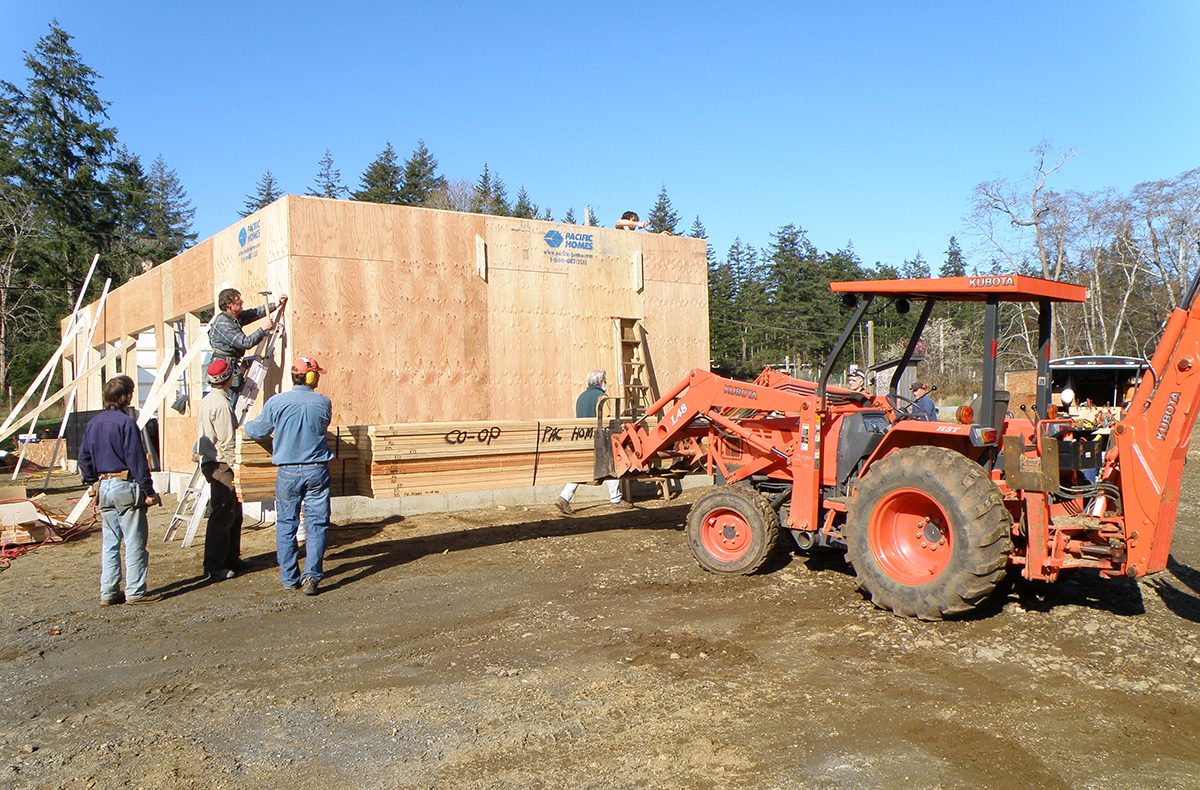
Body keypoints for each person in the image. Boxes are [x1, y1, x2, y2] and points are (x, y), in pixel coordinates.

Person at [243, 355, 333, 596]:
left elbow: (256, 430)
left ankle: (289, 578)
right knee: (317, 525)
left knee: (286, 524)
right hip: (317, 471)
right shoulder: (323, 402)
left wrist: (247, 427)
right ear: (311, 377)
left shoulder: (277, 402)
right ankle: (312, 577)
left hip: (288, 472)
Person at [78, 375, 162, 605]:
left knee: (110, 542)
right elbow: (136, 460)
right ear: (126, 396)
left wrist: (91, 482)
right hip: (125, 485)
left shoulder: (93, 424)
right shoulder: (126, 423)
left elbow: (84, 457)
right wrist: (149, 491)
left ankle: (109, 591)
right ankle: (135, 592)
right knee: (134, 541)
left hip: (104, 486)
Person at [197, 358, 249, 582]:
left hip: (213, 462)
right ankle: (214, 566)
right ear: (228, 378)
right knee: (221, 516)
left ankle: (231, 558)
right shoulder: (222, 405)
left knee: (234, 514)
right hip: (221, 465)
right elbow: (227, 441)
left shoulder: (208, 400)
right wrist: (237, 466)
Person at [555, 370, 632, 515]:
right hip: (599, 440)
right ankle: (615, 499)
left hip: (583, 439)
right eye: (605, 380)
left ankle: (564, 498)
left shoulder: (581, 397)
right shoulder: (601, 397)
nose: (606, 383)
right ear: (600, 381)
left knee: (580, 470)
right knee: (614, 462)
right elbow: (608, 421)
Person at [208, 288, 287, 396]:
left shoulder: (232, 317)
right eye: (238, 300)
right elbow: (245, 342)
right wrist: (263, 329)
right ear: (229, 304)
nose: (242, 302)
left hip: (229, 366)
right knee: (229, 403)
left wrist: (276, 304)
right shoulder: (224, 323)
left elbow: (254, 313)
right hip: (224, 371)